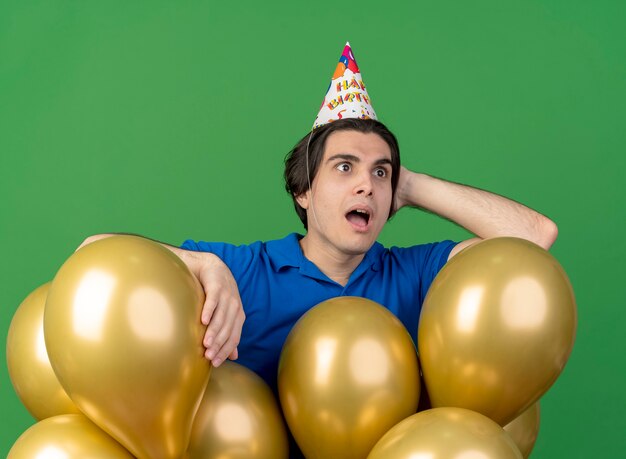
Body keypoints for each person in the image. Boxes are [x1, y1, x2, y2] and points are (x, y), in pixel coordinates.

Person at [78, 43, 557, 456]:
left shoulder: (416, 274)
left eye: (379, 173)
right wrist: (200, 264)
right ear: (303, 191)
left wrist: (409, 184)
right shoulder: (246, 270)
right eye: (344, 168)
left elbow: (533, 240)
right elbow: (94, 253)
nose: (366, 186)